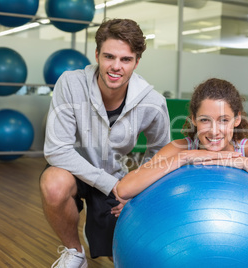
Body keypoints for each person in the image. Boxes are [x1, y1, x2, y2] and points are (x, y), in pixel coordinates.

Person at [40, 18, 170, 268]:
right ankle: (75, 253)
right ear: (97, 54)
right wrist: (114, 186)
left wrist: (136, 190)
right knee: (54, 184)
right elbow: (57, 150)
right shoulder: (70, 83)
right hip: (74, 171)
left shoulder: (153, 102)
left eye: (125, 59)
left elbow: (160, 153)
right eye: (109, 56)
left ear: (137, 62)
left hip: (114, 175)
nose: (115, 67)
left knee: (117, 255)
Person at [117, 78, 248, 214]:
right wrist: (184, 158)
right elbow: (124, 189)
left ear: (237, 119)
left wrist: (246, 164)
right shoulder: (180, 148)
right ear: (193, 119)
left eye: (224, 120)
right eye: (205, 120)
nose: (214, 131)